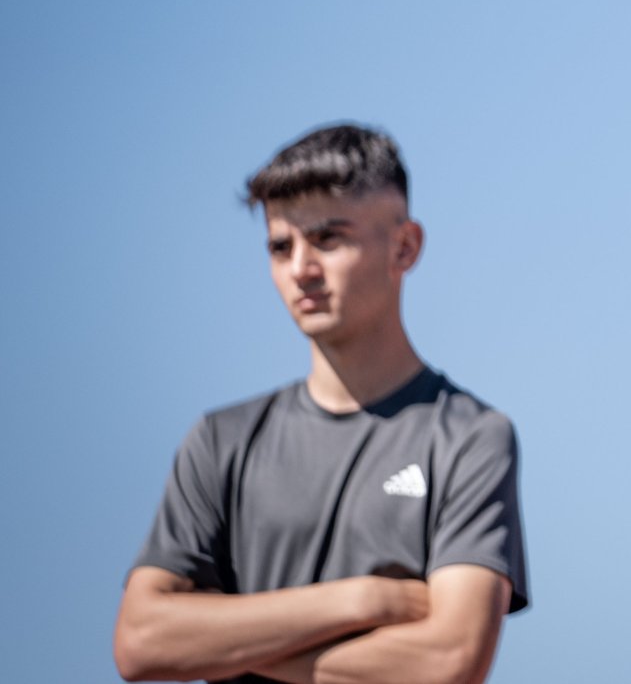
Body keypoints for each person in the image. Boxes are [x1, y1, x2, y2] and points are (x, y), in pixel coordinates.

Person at [114, 124, 528, 684]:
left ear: (404, 247)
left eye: (328, 239)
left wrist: (222, 644)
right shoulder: (221, 441)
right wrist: (365, 601)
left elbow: (448, 661)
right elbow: (141, 642)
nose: (301, 269)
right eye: (281, 247)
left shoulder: (468, 437)